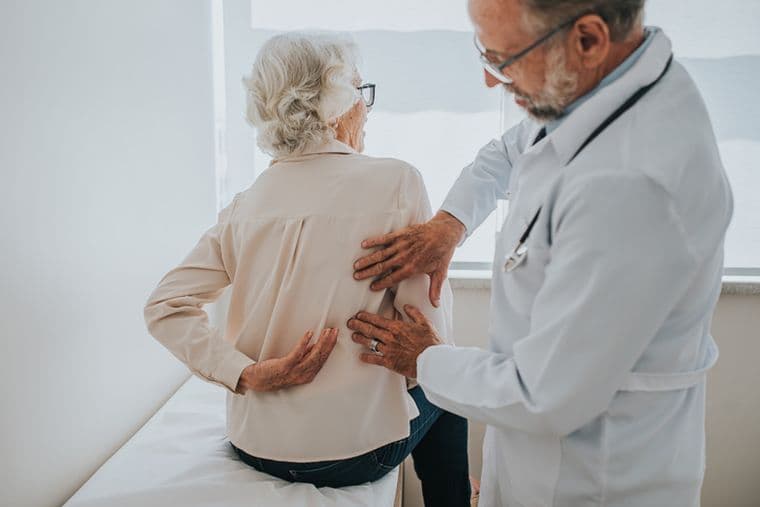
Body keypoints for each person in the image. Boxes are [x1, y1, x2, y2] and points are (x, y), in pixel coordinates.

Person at [348, 0, 733, 505]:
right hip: (538, 456)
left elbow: (543, 395)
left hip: (593, 480)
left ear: (589, 40)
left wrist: (425, 359)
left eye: (503, 60)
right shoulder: (600, 88)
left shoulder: (635, 185)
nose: (491, 81)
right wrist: (449, 223)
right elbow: (510, 151)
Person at [143, 33, 471, 505]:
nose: (366, 108)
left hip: (254, 445)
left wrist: (247, 374)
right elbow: (425, 340)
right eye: (361, 92)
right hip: (353, 453)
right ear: (335, 103)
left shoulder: (245, 204)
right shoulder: (397, 182)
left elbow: (164, 306)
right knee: (449, 391)